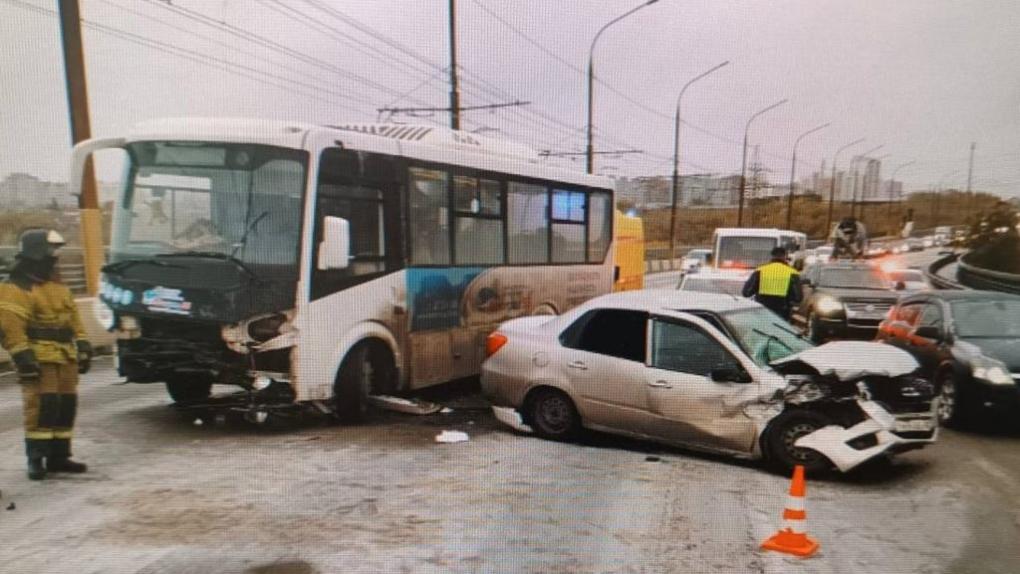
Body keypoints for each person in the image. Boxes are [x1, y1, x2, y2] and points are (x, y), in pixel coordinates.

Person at [0, 229, 92, 480]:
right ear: (36, 252)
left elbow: (73, 317)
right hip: (39, 358)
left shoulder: (57, 286)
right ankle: (36, 458)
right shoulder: (15, 288)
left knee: (65, 406)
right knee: (41, 407)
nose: (54, 256)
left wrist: (83, 344)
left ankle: (59, 457)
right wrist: (22, 357)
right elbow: (10, 327)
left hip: (65, 356)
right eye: (50, 250)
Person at [741, 246, 803, 321]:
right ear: (785, 256)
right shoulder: (792, 273)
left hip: (762, 312)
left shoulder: (760, 270)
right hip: (782, 313)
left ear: (772, 256)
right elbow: (798, 298)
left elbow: (746, 293)